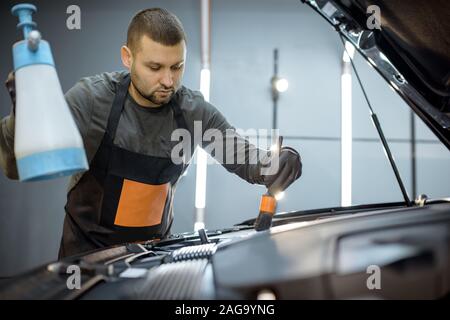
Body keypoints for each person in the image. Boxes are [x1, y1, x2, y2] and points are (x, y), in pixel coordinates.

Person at [0, 8, 302, 258]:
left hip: (153, 257)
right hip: (86, 261)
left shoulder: (193, 111)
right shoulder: (93, 100)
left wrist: (279, 162)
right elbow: (16, 165)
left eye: (177, 67)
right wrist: (23, 119)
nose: (168, 80)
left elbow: (248, 159)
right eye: (155, 67)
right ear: (127, 57)